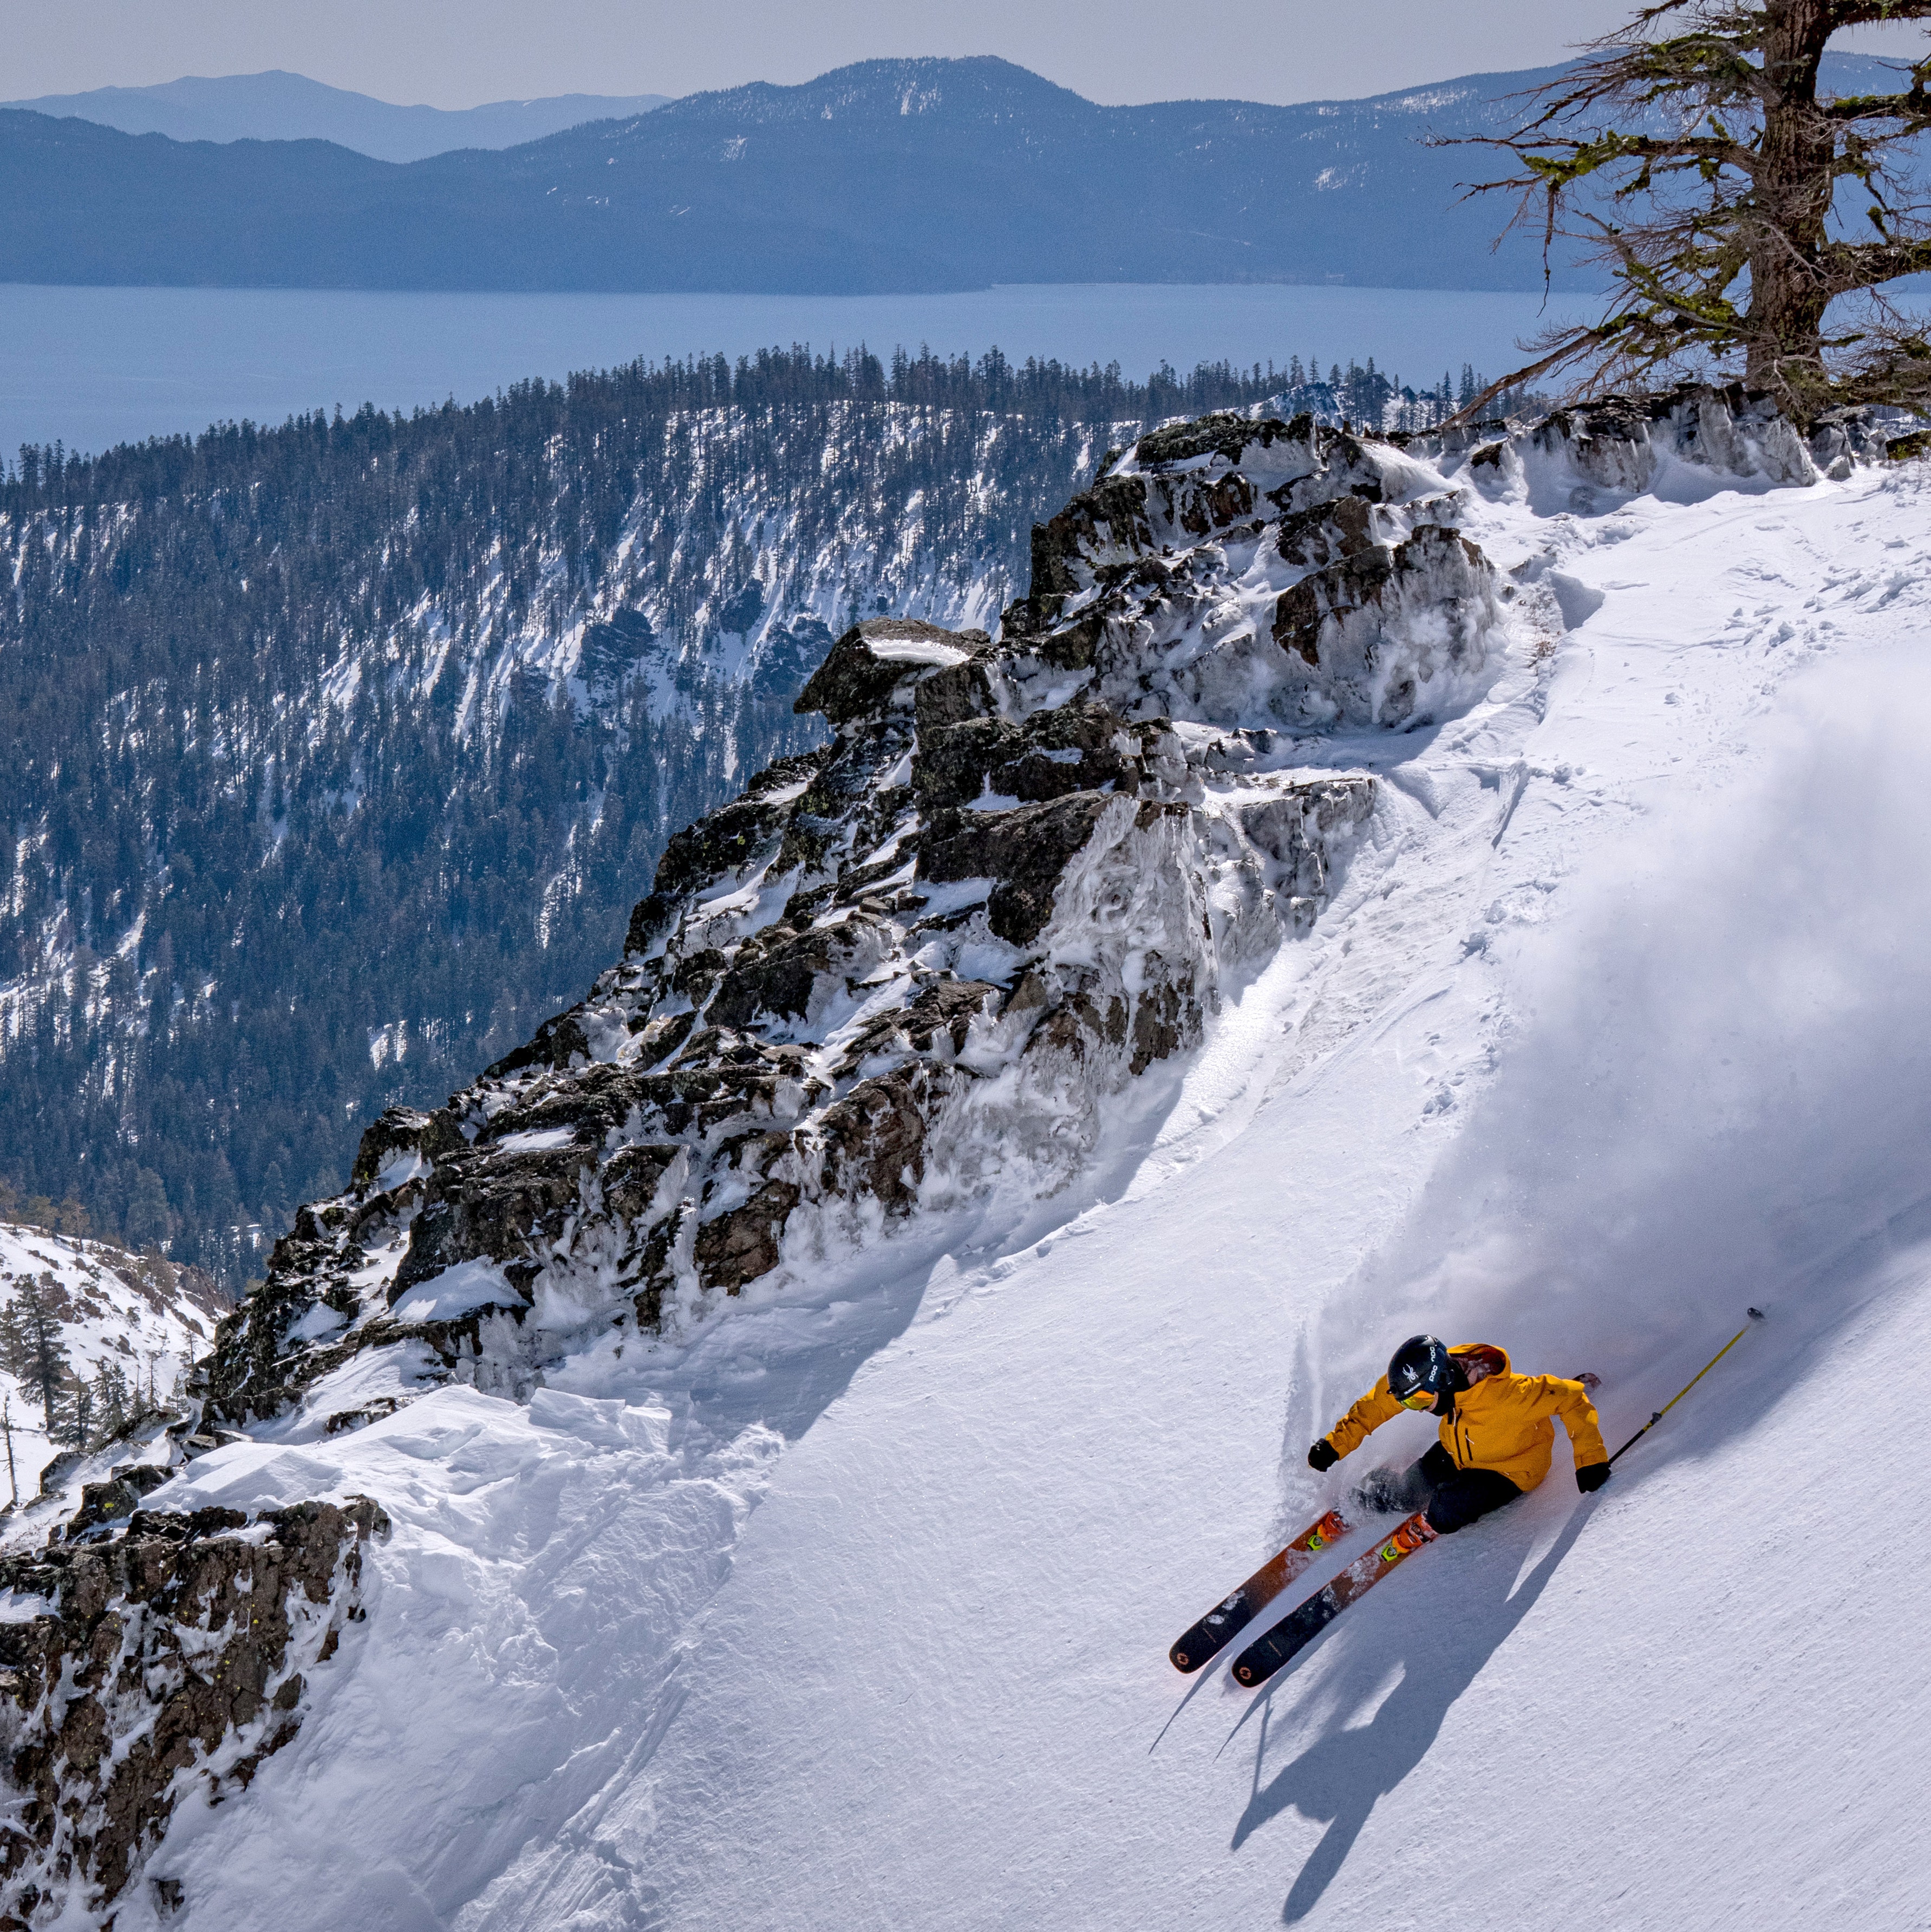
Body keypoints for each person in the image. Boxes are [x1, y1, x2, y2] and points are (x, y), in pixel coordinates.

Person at [1307, 1335, 1612, 1534]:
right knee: (1407, 1492)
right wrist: (1335, 1446)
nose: (1420, 1409)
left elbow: (1571, 1398)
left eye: (1420, 1401)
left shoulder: (1511, 1394)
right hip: (1458, 1450)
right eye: (1411, 1403)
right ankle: (1377, 1496)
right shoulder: (1437, 1377)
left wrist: (1591, 1461)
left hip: (1510, 1469)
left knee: (1447, 1508)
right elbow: (1378, 1404)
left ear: (1443, 1381)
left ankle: (1435, 1519)